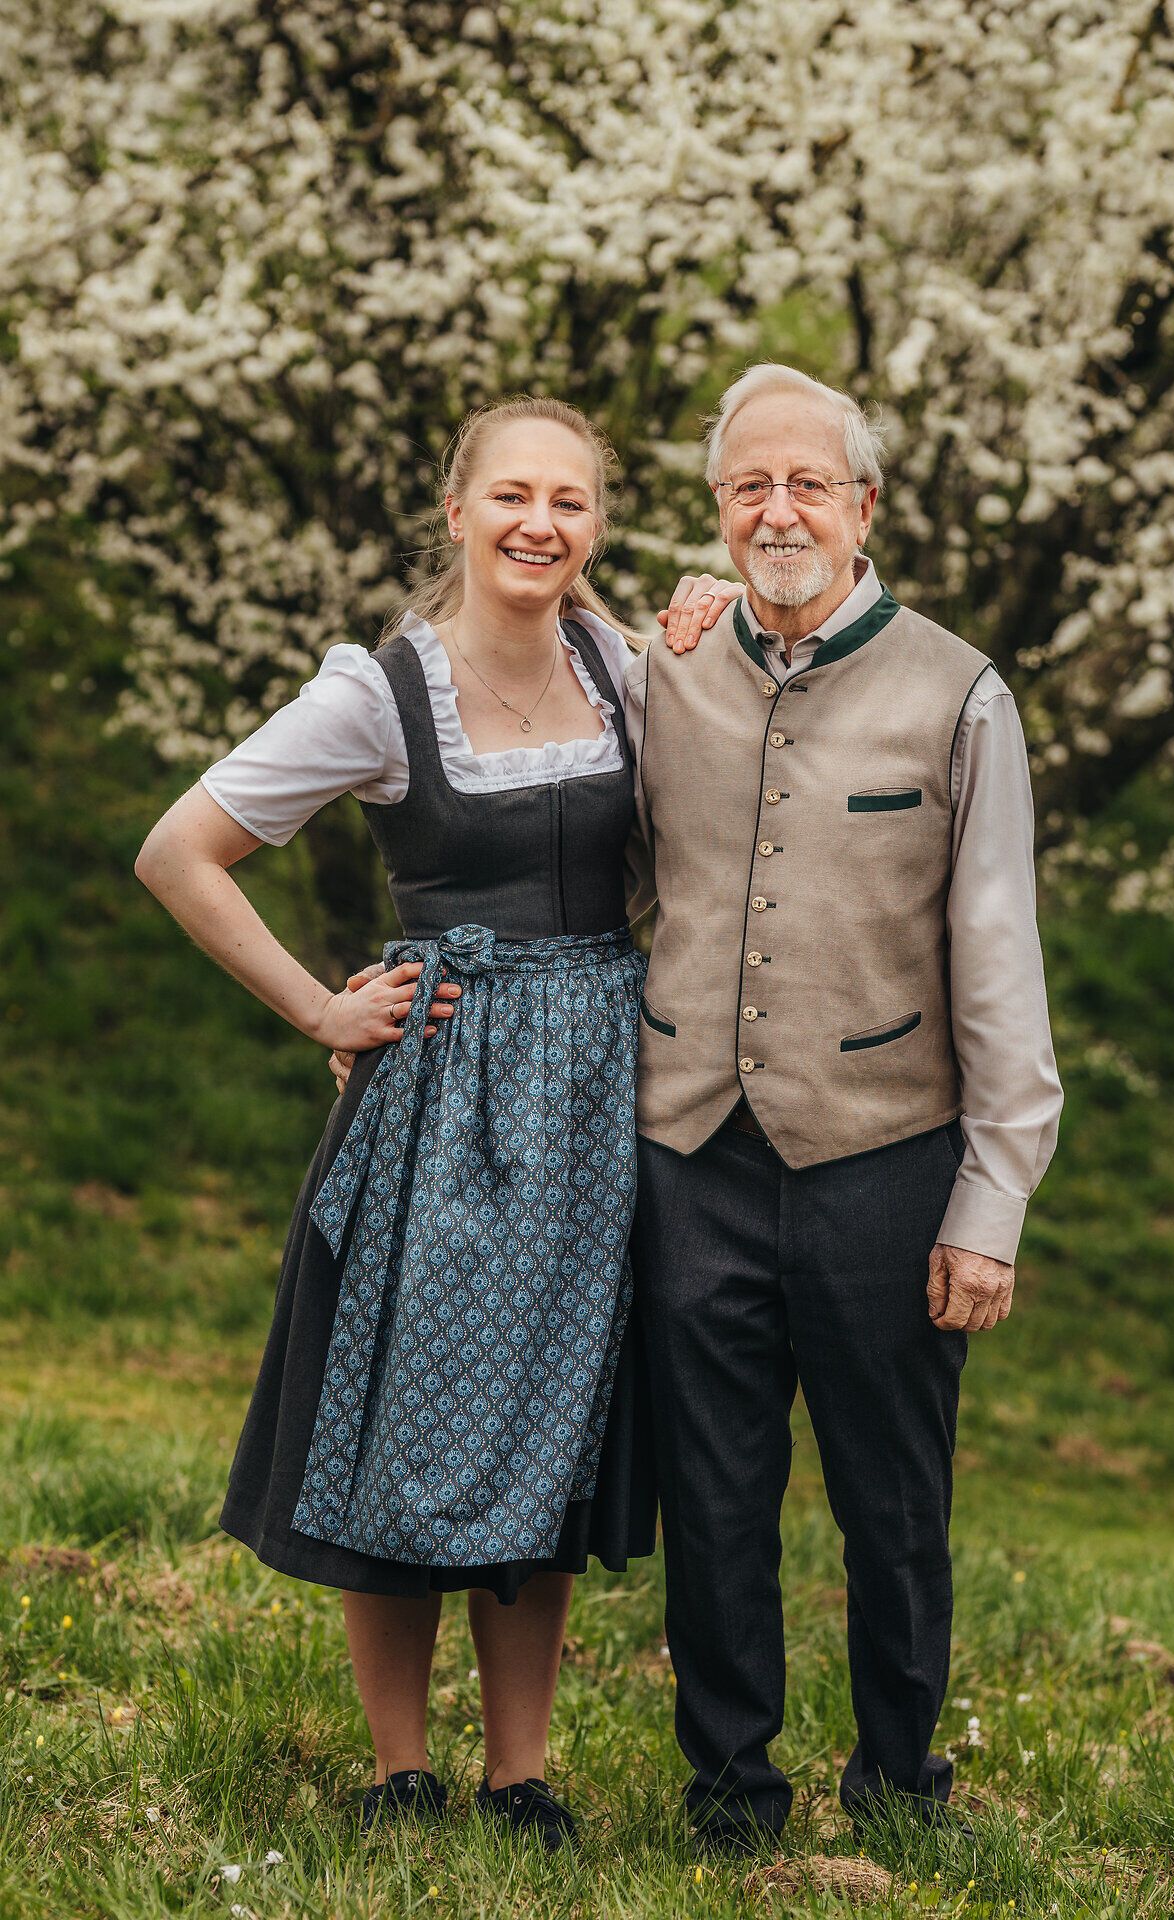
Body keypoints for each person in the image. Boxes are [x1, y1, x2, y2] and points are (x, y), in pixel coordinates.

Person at [134, 395, 737, 1848]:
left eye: (574, 503)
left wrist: (721, 640)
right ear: (459, 509)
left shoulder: (625, 667)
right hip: (442, 1102)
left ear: (596, 527)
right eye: (515, 496)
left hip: (599, 1095)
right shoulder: (378, 693)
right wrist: (321, 1010)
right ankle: (401, 1765)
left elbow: (733, 781)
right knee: (394, 1418)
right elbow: (181, 850)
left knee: (552, 1418)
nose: (543, 525)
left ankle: (517, 1775)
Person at [623, 363, 1064, 1855]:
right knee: (717, 1495)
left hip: (886, 1155)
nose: (780, 508)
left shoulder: (960, 690)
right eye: (750, 485)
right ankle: (731, 1794)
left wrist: (990, 1203)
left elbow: (1000, 958)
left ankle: (899, 1778)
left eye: (811, 480)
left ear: (867, 504)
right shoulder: (659, 663)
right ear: (715, 512)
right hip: (690, 1146)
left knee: (893, 1501)